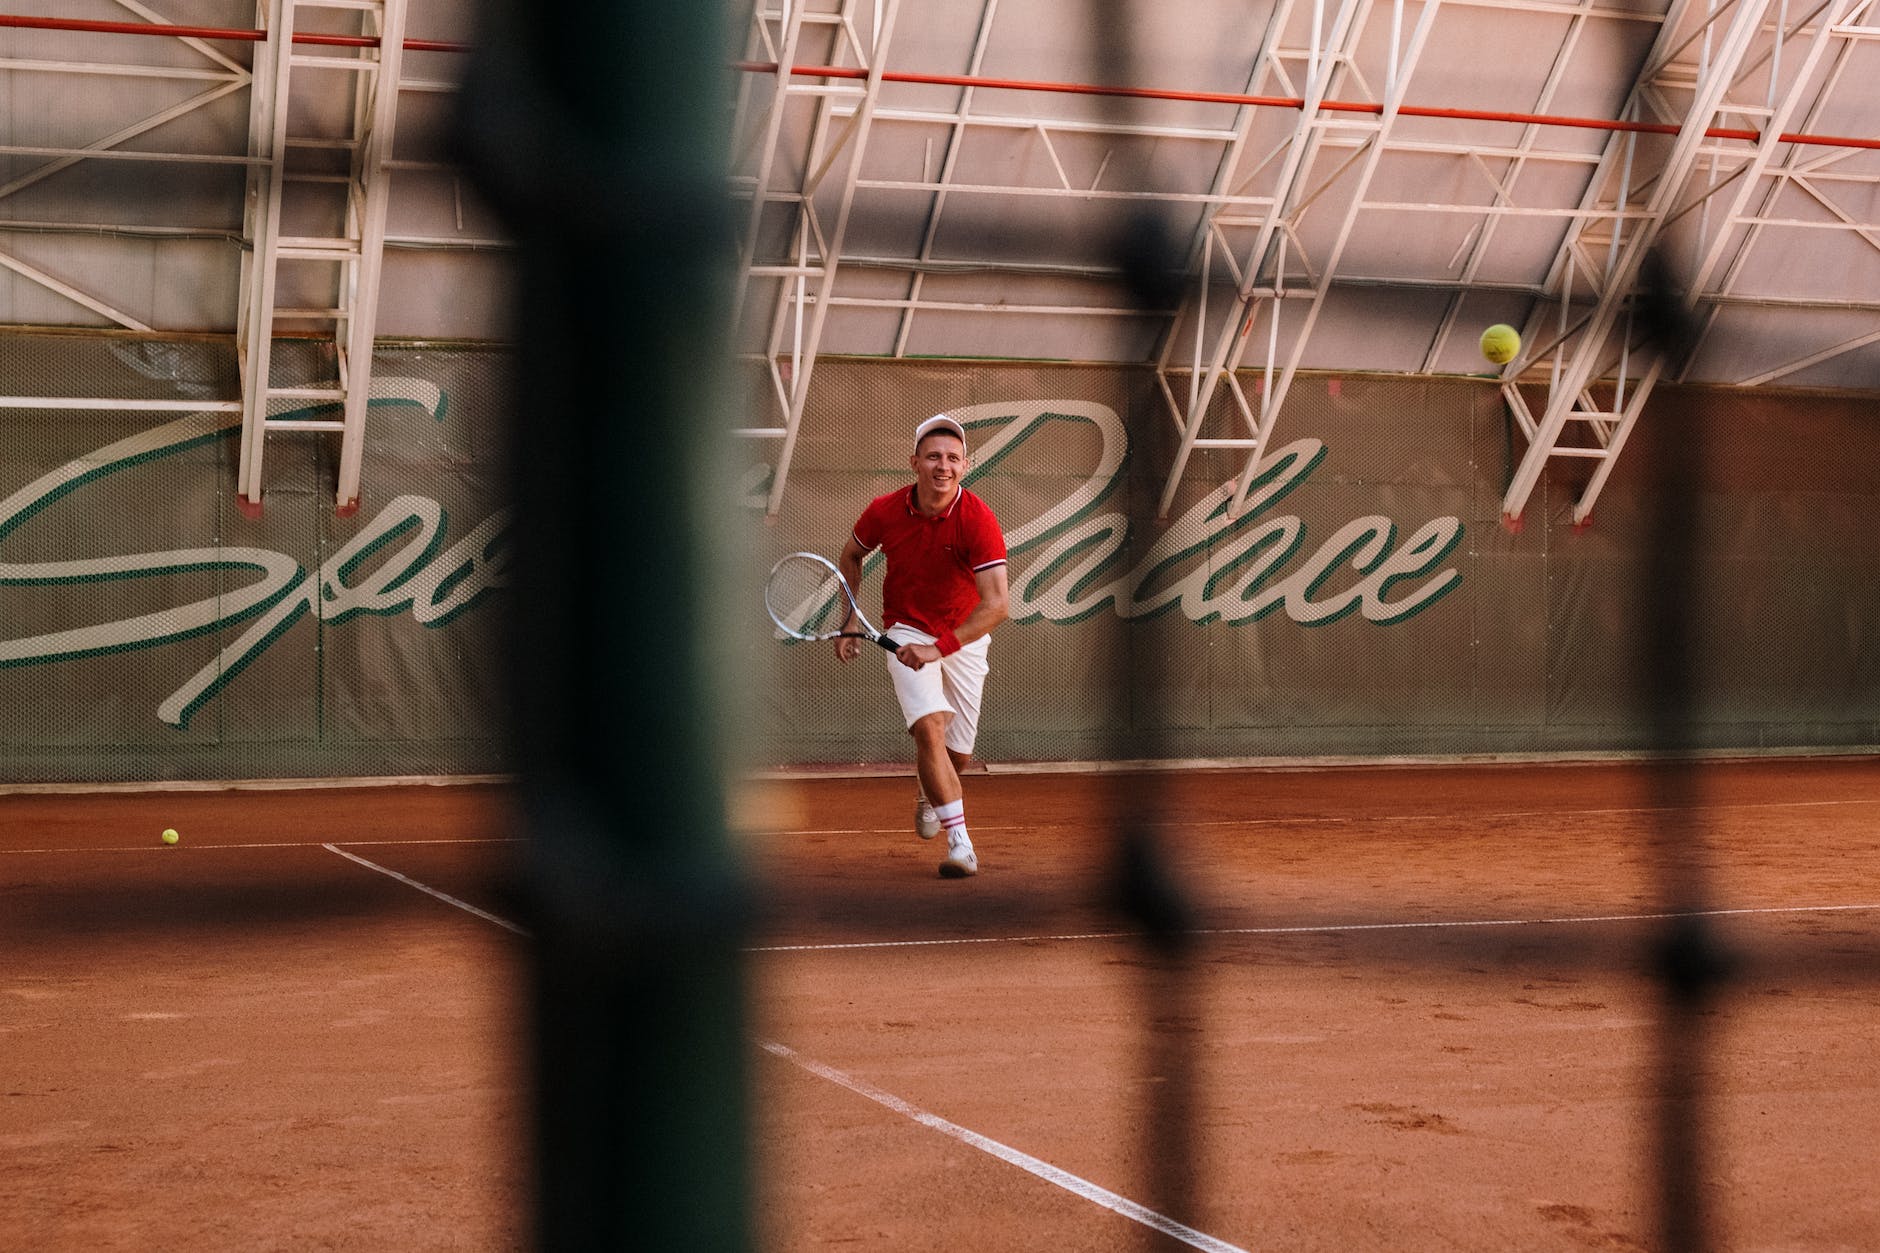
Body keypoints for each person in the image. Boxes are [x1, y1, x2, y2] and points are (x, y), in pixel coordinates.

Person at [836, 414, 1009, 878]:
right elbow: (851, 555)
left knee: (960, 756)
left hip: (964, 635)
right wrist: (851, 615)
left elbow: (996, 605)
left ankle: (929, 790)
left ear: (965, 465)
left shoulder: (978, 519)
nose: (943, 465)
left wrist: (942, 647)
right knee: (929, 729)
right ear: (914, 462)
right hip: (906, 628)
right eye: (933, 456)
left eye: (953, 458)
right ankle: (962, 845)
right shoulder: (883, 511)